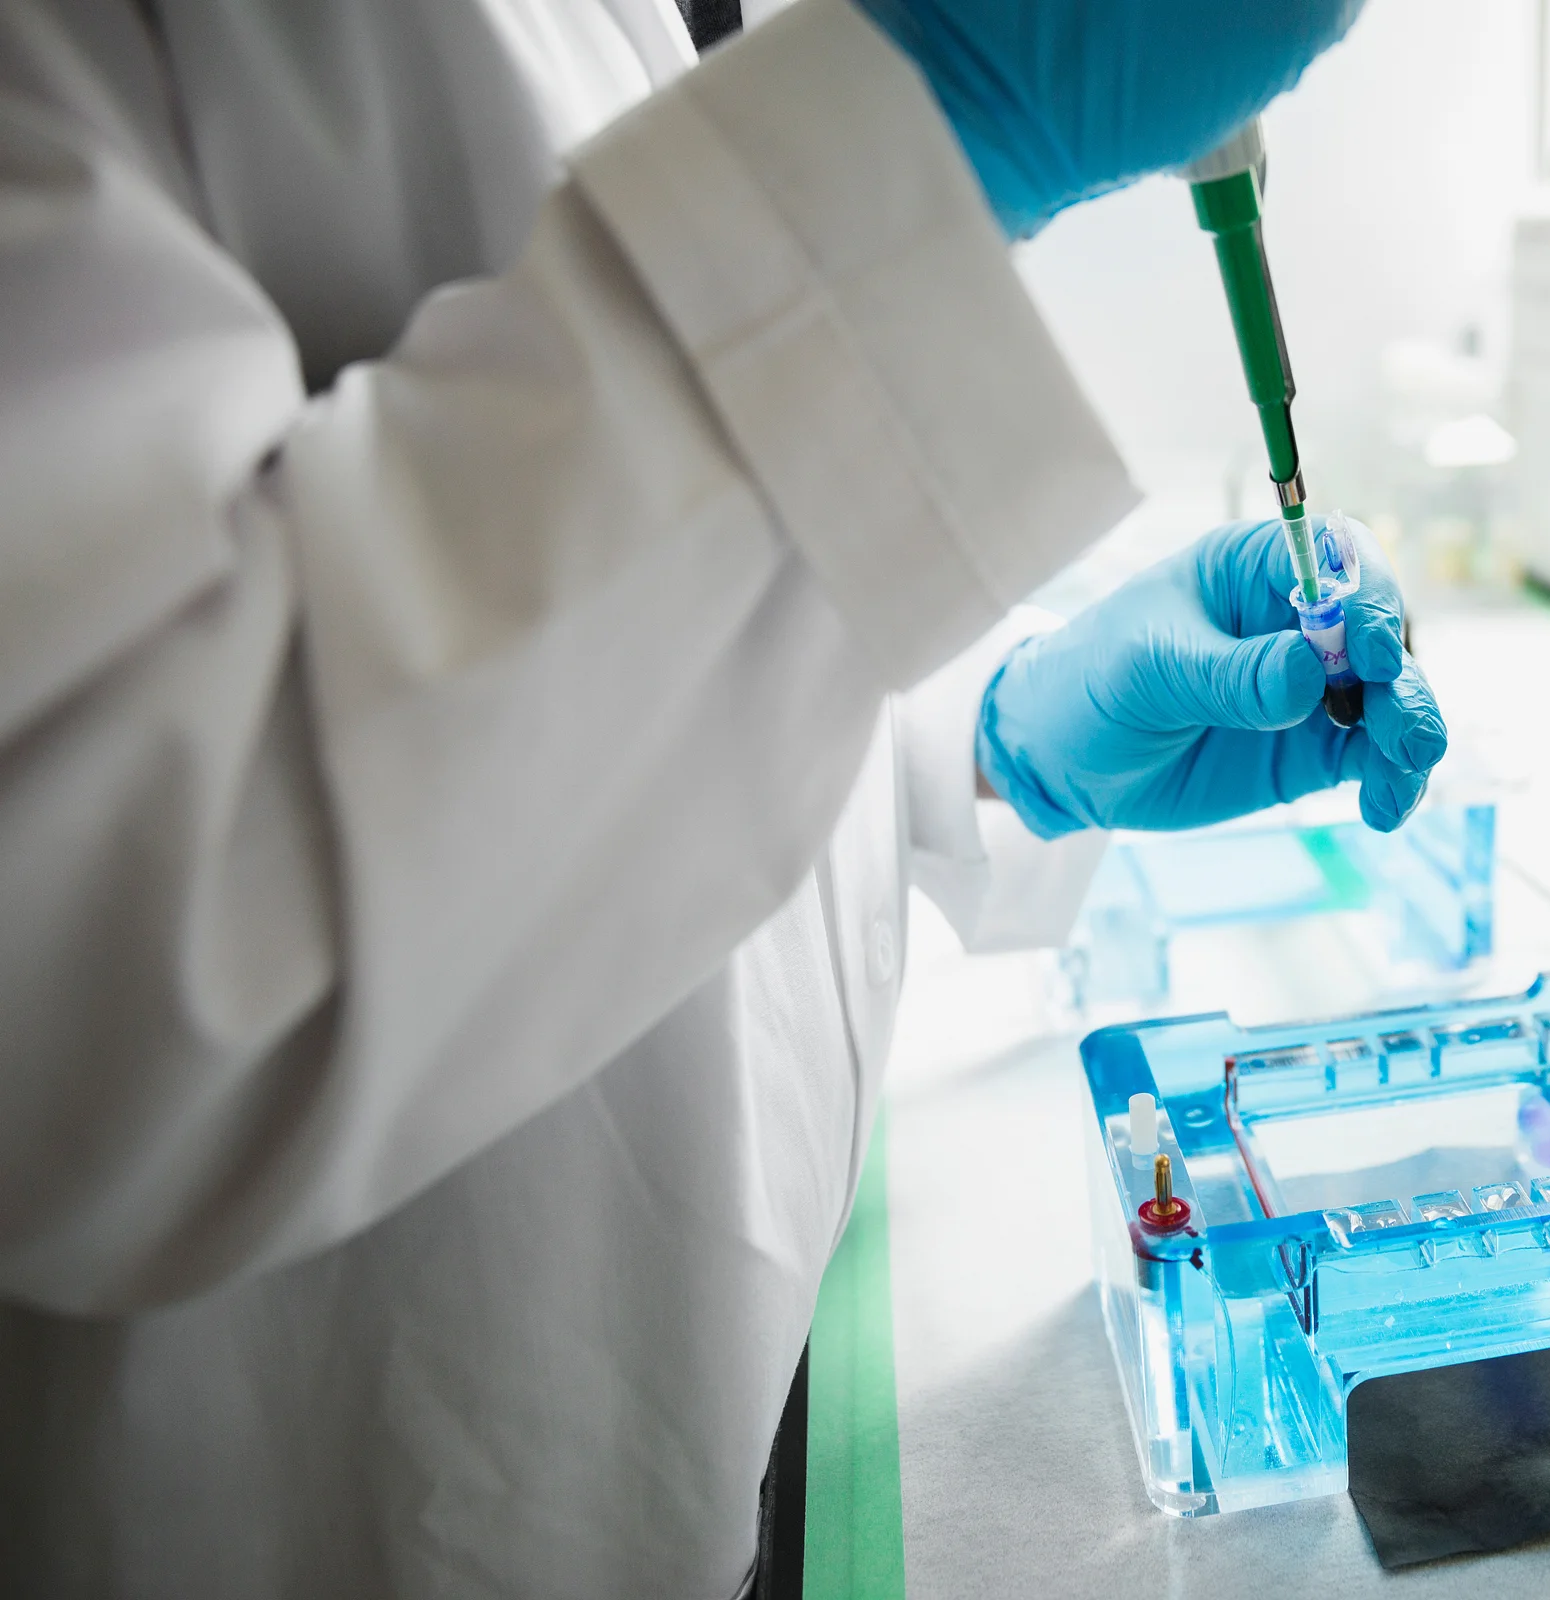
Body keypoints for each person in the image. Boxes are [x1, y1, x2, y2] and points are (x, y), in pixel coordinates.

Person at [0, 1, 1445, 1594]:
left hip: (688, 1426)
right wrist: (928, 116)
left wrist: (991, 736)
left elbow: (625, 609)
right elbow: (83, 946)